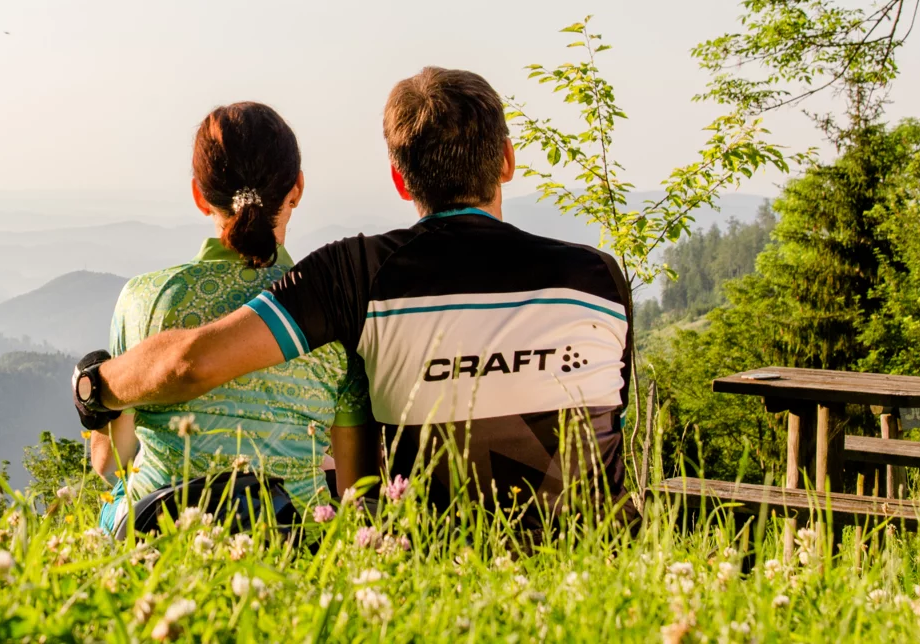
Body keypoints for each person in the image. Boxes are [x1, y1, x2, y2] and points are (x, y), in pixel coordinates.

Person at [73, 68, 633, 525]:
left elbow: (190, 364)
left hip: (436, 560)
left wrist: (94, 384)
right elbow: (613, 423)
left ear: (400, 181)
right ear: (508, 161)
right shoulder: (601, 277)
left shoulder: (354, 273)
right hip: (597, 564)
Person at [85, 101, 372, 536]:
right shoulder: (334, 307)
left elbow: (110, 467)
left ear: (200, 195)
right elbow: (356, 487)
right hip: (294, 541)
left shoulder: (145, 299)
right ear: (296, 188)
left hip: (159, 536)